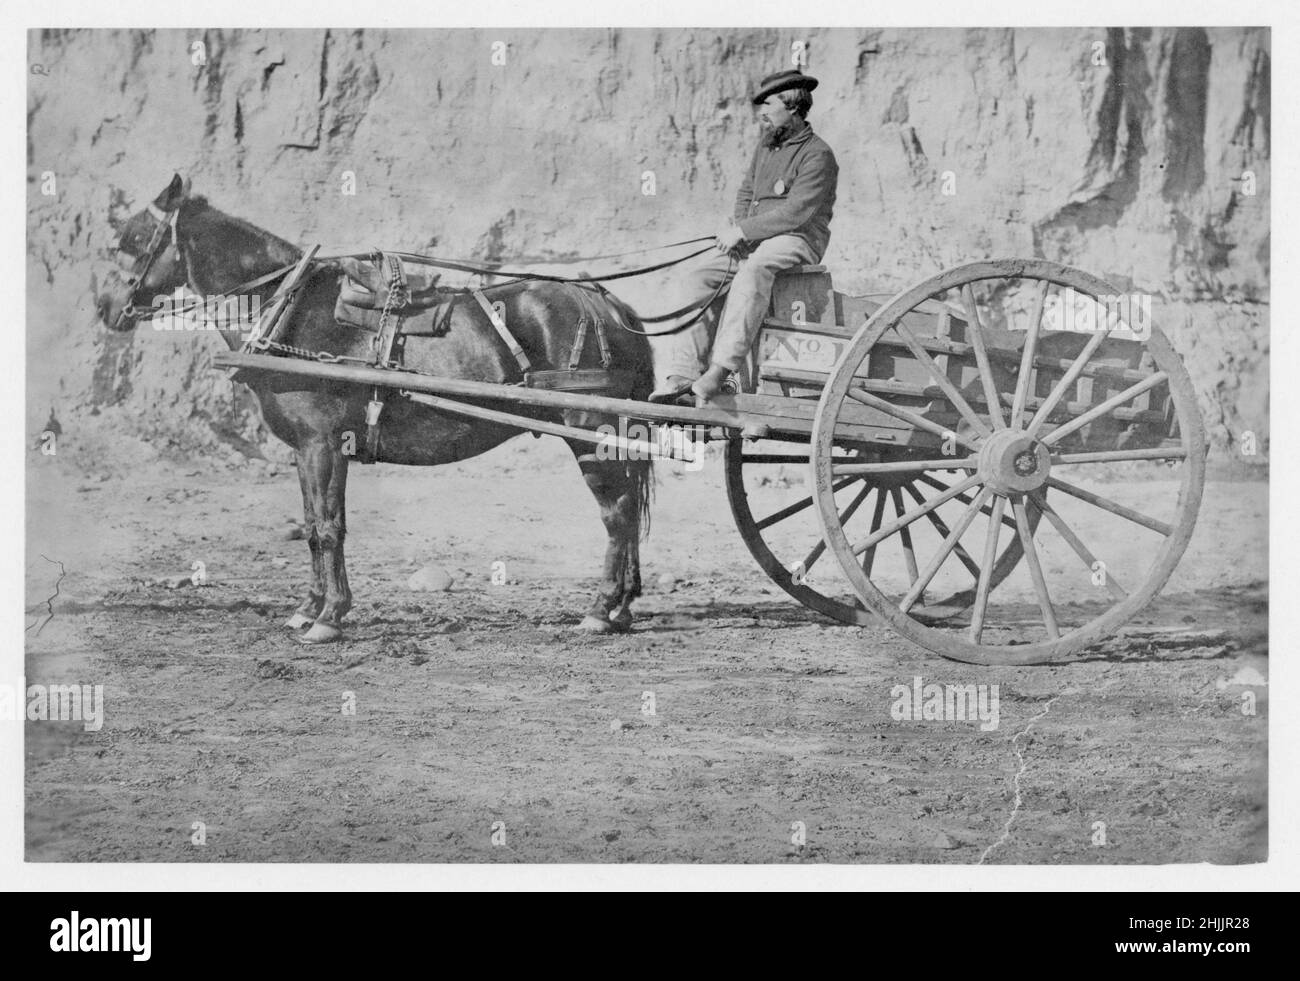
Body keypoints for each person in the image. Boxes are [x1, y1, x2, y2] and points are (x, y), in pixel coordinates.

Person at [650, 69, 839, 404]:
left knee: (754, 271)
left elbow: (797, 213)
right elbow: (746, 193)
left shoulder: (818, 155)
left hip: (798, 240)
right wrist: (741, 227)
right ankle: (682, 372)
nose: (761, 113)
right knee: (698, 276)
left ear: (792, 106)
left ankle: (720, 373)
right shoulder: (767, 146)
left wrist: (744, 231)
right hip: (758, 239)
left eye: (767, 104)